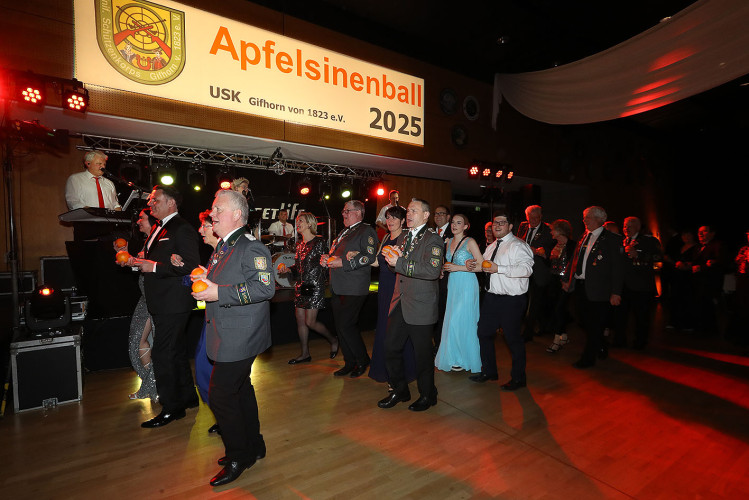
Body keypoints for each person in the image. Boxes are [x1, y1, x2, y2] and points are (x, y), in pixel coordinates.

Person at [191, 189, 275, 487]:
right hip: (228, 331)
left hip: (241, 335)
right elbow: (229, 277)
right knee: (240, 390)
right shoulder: (225, 246)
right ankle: (254, 445)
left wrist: (217, 292)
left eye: (217, 209)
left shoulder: (250, 247)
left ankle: (239, 455)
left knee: (222, 395)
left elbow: (266, 288)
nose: (211, 213)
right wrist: (207, 277)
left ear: (237, 214)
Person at [131, 185, 201, 428]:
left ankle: (172, 408)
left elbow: (192, 265)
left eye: (156, 200)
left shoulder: (182, 228)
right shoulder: (159, 229)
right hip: (162, 302)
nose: (151, 204)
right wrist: (138, 263)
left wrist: (155, 268)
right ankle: (188, 398)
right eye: (151, 200)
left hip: (174, 303)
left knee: (162, 354)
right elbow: (154, 261)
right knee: (176, 351)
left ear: (171, 203)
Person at [378, 199, 444, 411]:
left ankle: (428, 394)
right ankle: (400, 390)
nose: (409, 213)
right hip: (400, 301)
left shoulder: (433, 239)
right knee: (390, 347)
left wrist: (399, 263)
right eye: (409, 210)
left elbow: (432, 270)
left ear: (426, 215)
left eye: (414, 210)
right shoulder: (404, 236)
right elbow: (396, 268)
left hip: (421, 304)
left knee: (422, 355)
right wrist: (391, 261)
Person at [467, 211, 534, 390]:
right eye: (495, 222)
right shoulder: (491, 246)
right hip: (491, 298)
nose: (497, 226)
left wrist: (500, 268)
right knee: (483, 333)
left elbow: (527, 269)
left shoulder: (518, 245)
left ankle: (519, 378)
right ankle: (489, 371)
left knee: (513, 339)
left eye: (502, 223)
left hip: (511, 300)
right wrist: (474, 265)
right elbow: (486, 267)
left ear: (510, 226)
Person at [170, 210, 221, 434]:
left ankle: (229, 419)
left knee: (212, 376)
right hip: (211, 322)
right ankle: (224, 418)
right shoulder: (216, 253)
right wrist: (190, 272)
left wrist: (205, 277)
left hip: (222, 325)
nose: (200, 230)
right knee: (205, 375)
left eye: (205, 226)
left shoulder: (227, 252)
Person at [320, 200, 378, 378]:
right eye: (343, 211)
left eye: (347, 211)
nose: (343, 214)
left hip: (354, 287)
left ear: (359, 212)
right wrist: (327, 258)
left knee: (346, 325)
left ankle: (362, 360)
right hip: (339, 286)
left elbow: (369, 257)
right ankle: (349, 362)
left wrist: (342, 262)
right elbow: (338, 255)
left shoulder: (366, 230)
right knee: (340, 326)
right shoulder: (346, 231)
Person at [565, 206, 624, 369]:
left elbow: (617, 269)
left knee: (595, 323)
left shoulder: (612, 239)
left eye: (588, 217)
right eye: (584, 217)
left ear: (600, 219)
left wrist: (616, 292)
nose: (584, 220)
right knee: (583, 321)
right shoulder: (584, 236)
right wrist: (567, 279)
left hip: (600, 290)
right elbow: (575, 259)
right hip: (581, 287)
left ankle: (588, 358)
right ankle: (601, 343)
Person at [278, 212, 339, 364]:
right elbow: (298, 267)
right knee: (300, 320)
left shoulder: (319, 242)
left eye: (301, 221)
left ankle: (334, 340)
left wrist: (326, 267)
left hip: (314, 285)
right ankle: (305, 354)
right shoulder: (300, 245)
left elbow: (326, 263)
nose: (298, 223)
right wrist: (288, 269)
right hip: (301, 284)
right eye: (297, 221)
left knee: (310, 322)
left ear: (310, 224)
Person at [368, 205, 417, 385]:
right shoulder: (387, 236)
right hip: (384, 287)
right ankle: (385, 371)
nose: (390, 221)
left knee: (396, 331)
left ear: (403, 221)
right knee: (384, 327)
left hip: (398, 286)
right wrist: (359, 257)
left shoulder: (406, 238)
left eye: (394, 218)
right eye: (388, 217)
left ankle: (401, 373)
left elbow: (406, 264)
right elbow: (376, 261)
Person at [435, 214, 484, 373]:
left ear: (465, 226)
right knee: (452, 319)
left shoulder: (470, 242)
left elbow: (482, 266)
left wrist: (459, 268)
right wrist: (443, 269)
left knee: (460, 320)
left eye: (459, 223)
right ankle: (454, 356)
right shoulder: (448, 241)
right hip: (453, 284)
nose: (454, 225)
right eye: (453, 222)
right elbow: (447, 262)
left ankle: (463, 358)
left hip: (467, 283)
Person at [124, 208, 158, 401]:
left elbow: (155, 264)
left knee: (156, 345)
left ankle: (153, 387)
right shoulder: (148, 241)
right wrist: (128, 259)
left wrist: (135, 261)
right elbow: (140, 262)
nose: (138, 222)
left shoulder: (158, 241)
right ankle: (150, 384)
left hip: (155, 298)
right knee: (135, 342)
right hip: (145, 298)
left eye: (142, 218)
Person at [615, 217, 663, 350]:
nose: (626, 228)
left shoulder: (649, 240)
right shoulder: (620, 241)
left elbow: (658, 257)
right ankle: (620, 340)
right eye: (624, 226)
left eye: (629, 226)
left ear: (638, 226)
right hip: (623, 285)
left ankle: (640, 341)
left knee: (641, 317)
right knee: (620, 316)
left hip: (641, 286)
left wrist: (638, 255)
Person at [517, 205, 555, 341]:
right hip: (523, 270)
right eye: (530, 218)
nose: (532, 220)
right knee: (525, 301)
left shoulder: (548, 229)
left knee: (534, 303)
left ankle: (528, 333)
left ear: (541, 217)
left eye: (536, 218)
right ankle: (544, 326)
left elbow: (551, 251)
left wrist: (538, 251)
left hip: (539, 271)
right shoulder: (523, 226)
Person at [545, 219, 576, 353]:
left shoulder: (573, 245)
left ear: (559, 231)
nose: (551, 232)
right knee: (557, 309)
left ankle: (557, 340)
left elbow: (574, 266)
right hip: (554, 282)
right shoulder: (553, 244)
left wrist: (568, 281)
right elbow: (550, 264)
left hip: (566, 282)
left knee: (559, 309)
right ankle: (564, 336)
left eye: (553, 230)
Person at [691, 225, 724, 334]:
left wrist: (702, 267)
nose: (700, 234)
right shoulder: (697, 247)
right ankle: (699, 328)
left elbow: (719, 262)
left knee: (708, 306)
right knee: (698, 305)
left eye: (704, 231)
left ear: (712, 233)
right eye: (699, 232)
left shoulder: (717, 245)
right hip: (698, 282)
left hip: (709, 282)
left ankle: (710, 330)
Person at [433, 205, 452, 351]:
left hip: (447, 279)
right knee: (434, 312)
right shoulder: (431, 233)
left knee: (444, 313)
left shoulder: (452, 232)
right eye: (436, 213)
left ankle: (442, 346)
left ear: (448, 217)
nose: (438, 216)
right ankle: (436, 344)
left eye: (442, 213)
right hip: (432, 280)